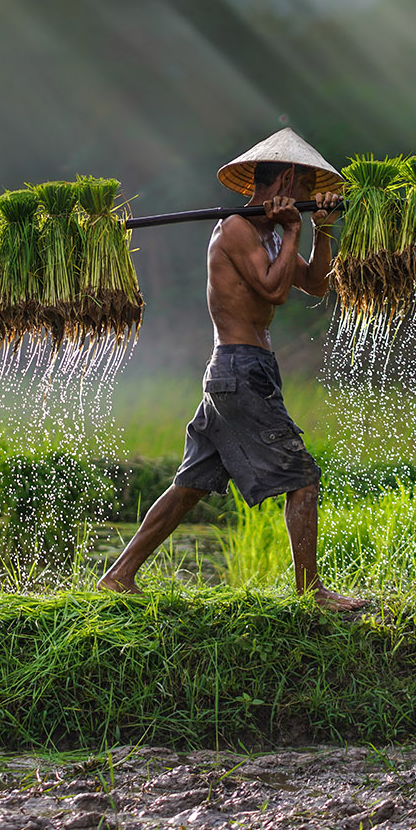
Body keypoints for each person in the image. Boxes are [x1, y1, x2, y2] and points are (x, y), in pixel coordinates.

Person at [99, 128, 369, 611]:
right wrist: (293, 231)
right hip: (240, 370)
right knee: (303, 478)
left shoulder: (267, 231)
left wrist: (321, 229)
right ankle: (310, 592)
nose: (310, 195)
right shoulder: (237, 228)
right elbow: (274, 290)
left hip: (242, 370)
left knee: (190, 485)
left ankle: (118, 576)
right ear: (286, 177)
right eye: (306, 185)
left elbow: (314, 285)